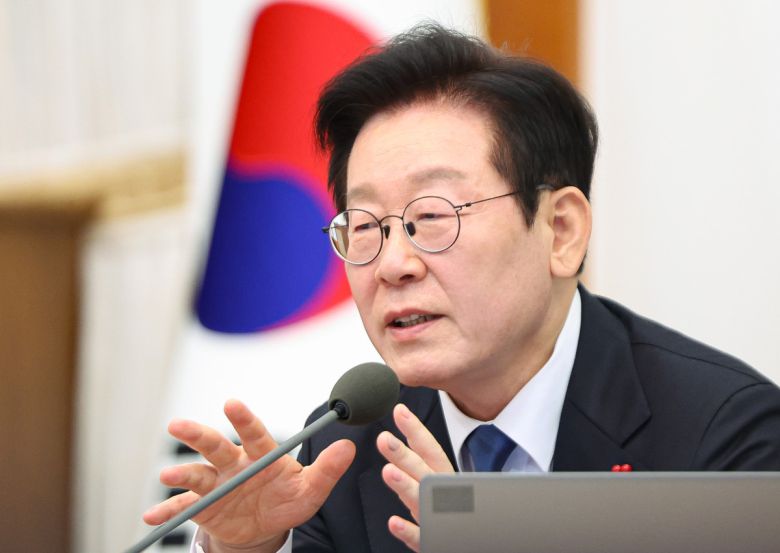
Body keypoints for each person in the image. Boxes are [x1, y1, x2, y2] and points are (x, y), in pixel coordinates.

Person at [142, 24, 780, 553]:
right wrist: (248, 549)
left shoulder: (721, 437)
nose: (393, 264)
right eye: (365, 226)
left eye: (432, 217)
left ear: (560, 230)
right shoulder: (346, 447)